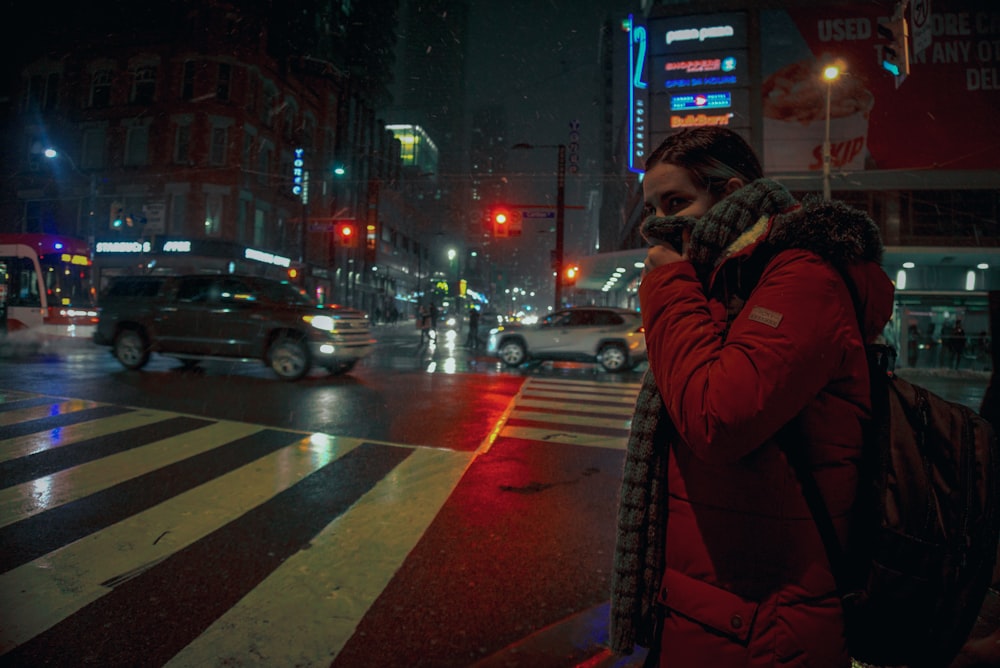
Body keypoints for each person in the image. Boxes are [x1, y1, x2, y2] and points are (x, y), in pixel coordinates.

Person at [610, 127, 894, 667]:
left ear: (731, 191)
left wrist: (669, 287)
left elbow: (718, 418)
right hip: (711, 609)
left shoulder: (803, 274)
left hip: (766, 626)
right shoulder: (725, 278)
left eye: (677, 202)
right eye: (652, 208)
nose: (659, 225)